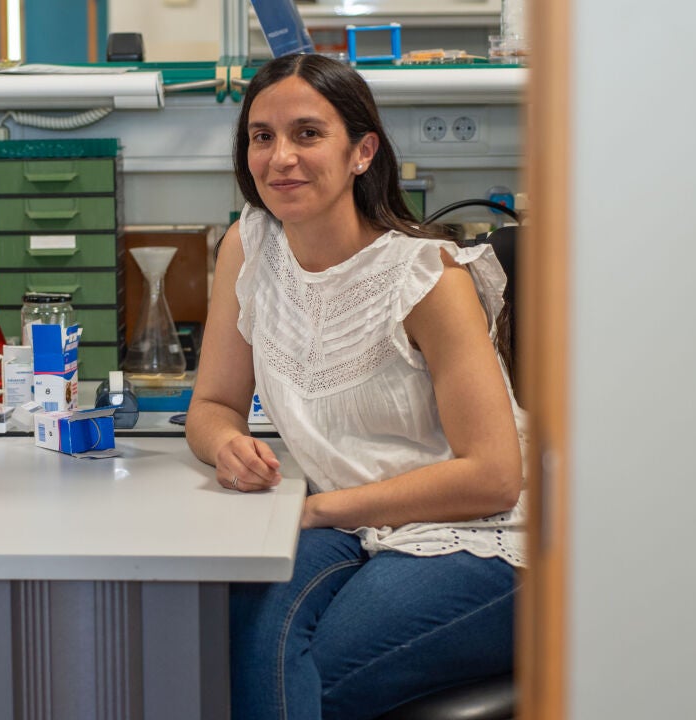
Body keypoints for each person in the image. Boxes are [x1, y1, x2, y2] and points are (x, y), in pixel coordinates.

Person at [185, 53, 525, 719]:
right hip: (349, 519)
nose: (281, 158)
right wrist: (225, 444)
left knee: (314, 681)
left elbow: (494, 477)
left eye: (308, 134)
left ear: (362, 153)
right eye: (262, 136)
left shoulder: (428, 278)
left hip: (480, 533)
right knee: (241, 648)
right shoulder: (249, 247)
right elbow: (213, 405)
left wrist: (318, 511)